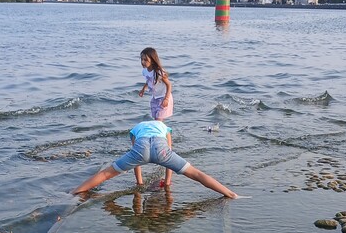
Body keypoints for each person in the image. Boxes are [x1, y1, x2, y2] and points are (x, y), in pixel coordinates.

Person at [72, 119, 237, 198]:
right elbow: (170, 150)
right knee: (195, 174)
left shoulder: (136, 128)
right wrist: (168, 182)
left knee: (106, 174)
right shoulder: (165, 127)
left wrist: (140, 182)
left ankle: (76, 192)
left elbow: (136, 158)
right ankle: (230, 194)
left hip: (141, 148)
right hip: (161, 149)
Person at [137, 47, 173, 188]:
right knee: (156, 121)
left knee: (158, 123)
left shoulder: (159, 72)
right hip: (154, 98)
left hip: (164, 99)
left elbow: (169, 85)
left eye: (146, 59)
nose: (143, 62)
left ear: (153, 59)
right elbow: (148, 80)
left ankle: (161, 144)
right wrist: (144, 88)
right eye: (141, 59)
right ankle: (160, 140)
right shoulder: (146, 71)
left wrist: (166, 98)